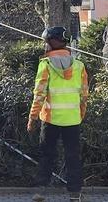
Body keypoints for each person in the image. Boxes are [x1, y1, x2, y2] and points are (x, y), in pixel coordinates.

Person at [28, 26, 89, 202]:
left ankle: (40, 191)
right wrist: (80, 114)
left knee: (47, 155)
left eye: (46, 41)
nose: (45, 44)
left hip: (50, 119)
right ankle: (75, 194)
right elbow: (84, 95)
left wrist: (32, 117)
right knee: (73, 157)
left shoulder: (45, 65)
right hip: (72, 120)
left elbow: (39, 95)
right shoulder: (79, 66)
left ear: (53, 42)